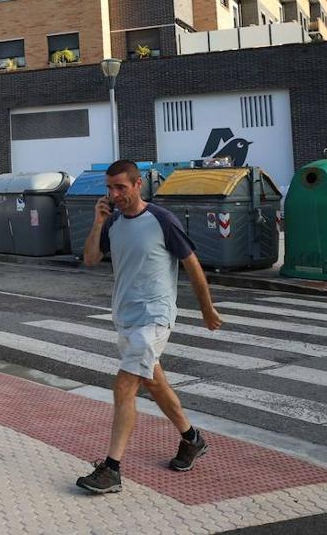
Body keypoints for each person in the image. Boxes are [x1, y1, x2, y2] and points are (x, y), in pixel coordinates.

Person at [76, 160, 223, 495]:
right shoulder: (112, 222)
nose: (114, 195)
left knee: (124, 387)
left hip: (155, 317)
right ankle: (192, 439)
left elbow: (192, 264)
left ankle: (111, 469)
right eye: (109, 188)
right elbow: (89, 259)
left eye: (121, 188)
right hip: (125, 317)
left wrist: (206, 308)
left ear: (137, 184)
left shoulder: (161, 220)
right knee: (154, 383)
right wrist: (98, 223)